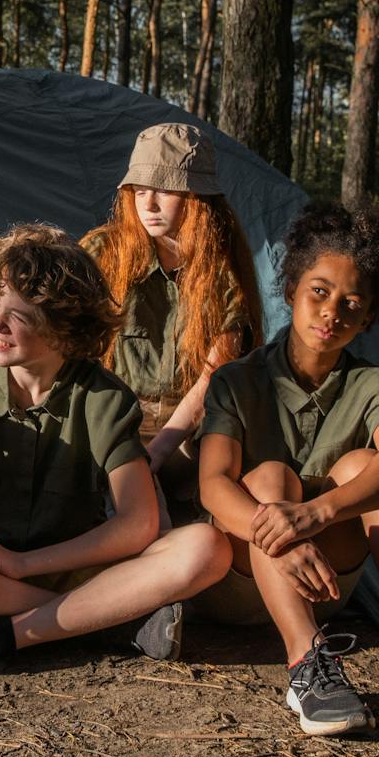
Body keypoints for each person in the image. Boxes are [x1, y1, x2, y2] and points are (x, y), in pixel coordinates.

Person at [0, 223, 230, 669]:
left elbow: (137, 524)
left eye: (19, 314)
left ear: (62, 329)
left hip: (73, 566)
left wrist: (22, 563)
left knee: (207, 547)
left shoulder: (103, 398)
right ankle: (107, 620)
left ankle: (10, 632)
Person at [196, 201, 379, 735]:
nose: (332, 311)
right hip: (242, 578)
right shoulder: (237, 381)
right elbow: (213, 484)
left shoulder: (371, 383)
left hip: (326, 579)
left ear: (366, 317)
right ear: (291, 291)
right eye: (319, 291)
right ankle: (305, 665)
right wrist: (283, 534)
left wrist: (316, 515)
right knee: (269, 478)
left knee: (370, 467)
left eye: (351, 303)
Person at [82, 123, 261, 522]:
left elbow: (215, 375)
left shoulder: (220, 270)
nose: (149, 204)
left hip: (186, 434)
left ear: (196, 197)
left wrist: (160, 450)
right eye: (139, 191)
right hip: (108, 422)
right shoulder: (102, 252)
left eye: (164, 189)